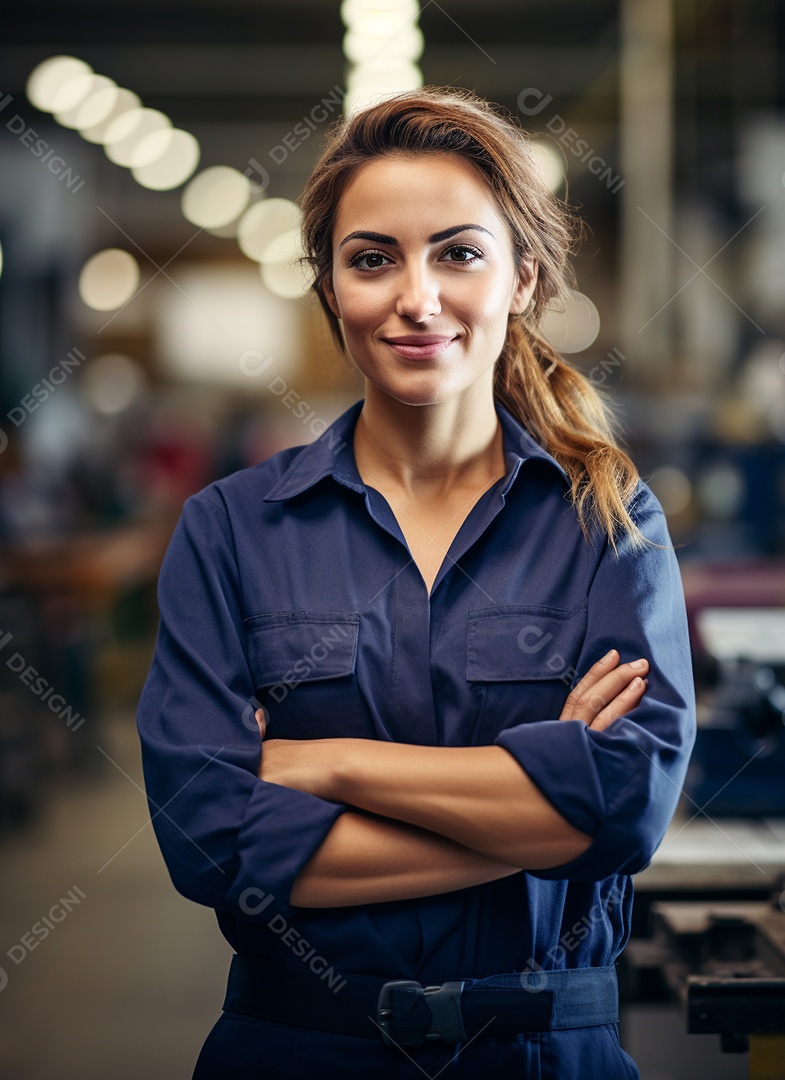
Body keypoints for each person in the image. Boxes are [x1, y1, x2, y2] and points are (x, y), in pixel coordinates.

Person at [137, 86, 696, 1079]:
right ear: (329, 286)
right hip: (298, 1050)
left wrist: (327, 766)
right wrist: (538, 824)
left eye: (458, 252)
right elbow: (212, 841)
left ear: (524, 277)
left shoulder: (606, 521)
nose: (417, 296)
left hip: (541, 1054)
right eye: (372, 258)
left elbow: (626, 808)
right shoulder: (229, 533)